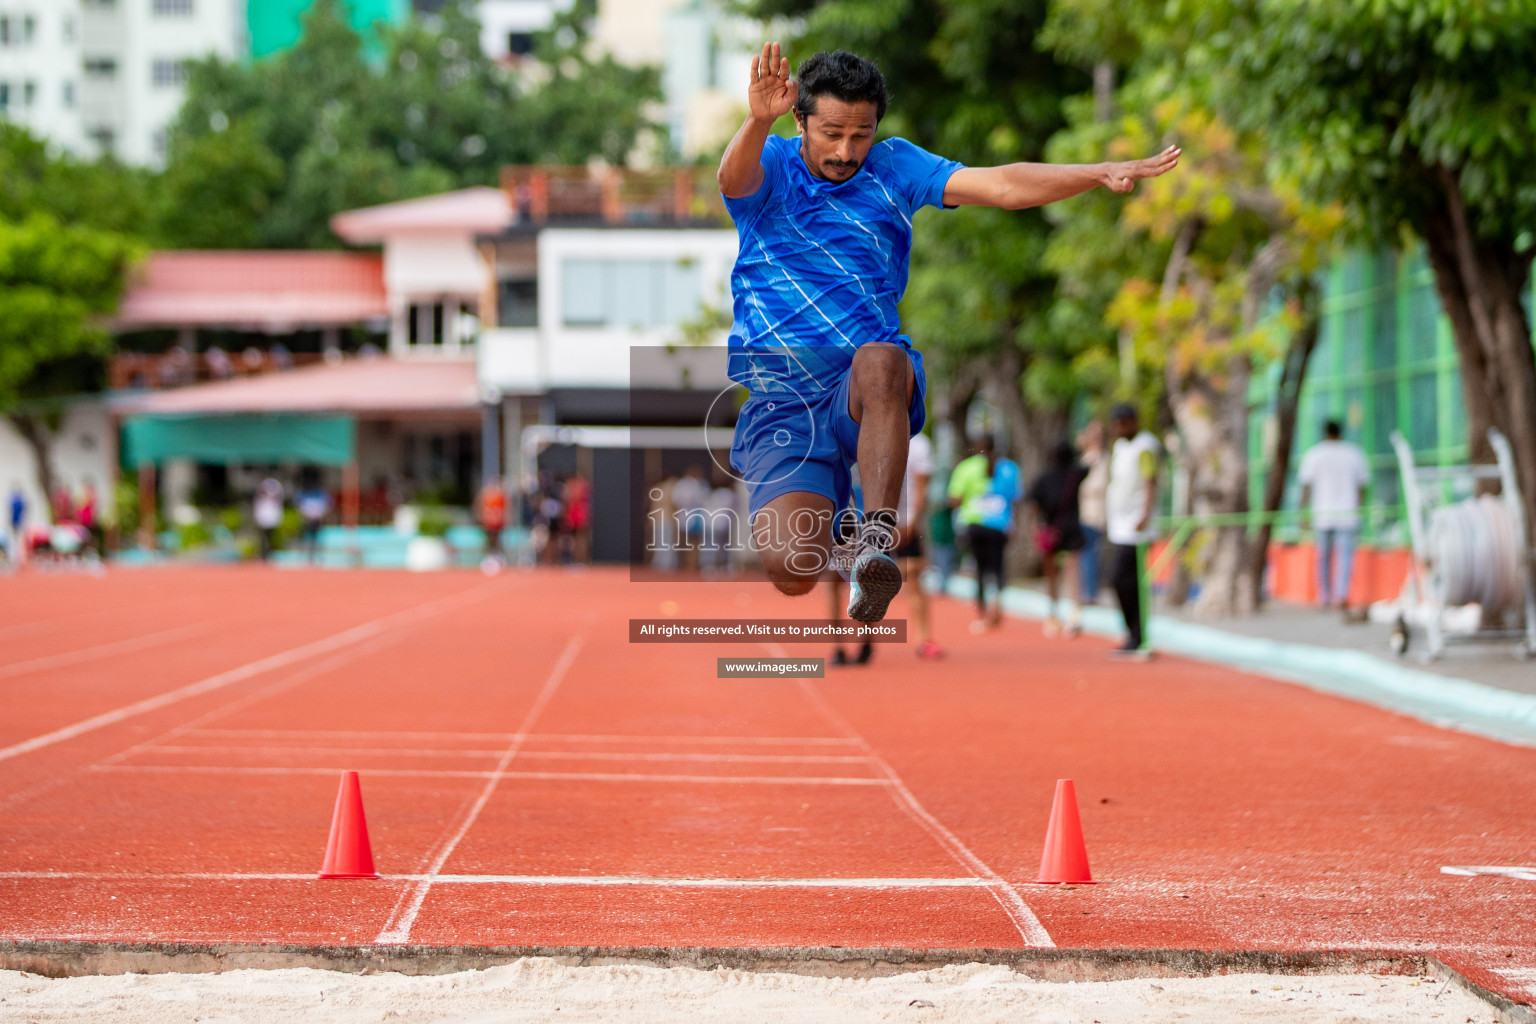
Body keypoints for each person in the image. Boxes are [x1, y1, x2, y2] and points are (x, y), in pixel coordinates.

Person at [718, 44, 1179, 623]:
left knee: (884, 359)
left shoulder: (895, 167)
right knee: (793, 570)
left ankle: (875, 546)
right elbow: (733, 180)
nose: (845, 151)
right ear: (799, 119)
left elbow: (1005, 186)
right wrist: (755, 121)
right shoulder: (773, 168)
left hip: (860, 389)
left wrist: (1096, 173)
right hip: (785, 401)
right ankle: (836, 529)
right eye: (832, 133)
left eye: (860, 135)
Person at [947, 435, 1022, 633]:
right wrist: (1013, 523)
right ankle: (997, 603)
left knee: (980, 569)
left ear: (976, 447)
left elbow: (954, 498)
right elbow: (1015, 500)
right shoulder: (1010, 468)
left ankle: (982, 615)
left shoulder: (966, 467)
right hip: (1000, 525)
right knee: (997, 567)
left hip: (975, 524)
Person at [1298, 419, 1370, 617]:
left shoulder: (1314, 454)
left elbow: (1306, 486)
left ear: (1324, 433)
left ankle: (1325, 597)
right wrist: (1360, 507)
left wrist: (1302, 512)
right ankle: (1341, 595)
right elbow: (1362, 486)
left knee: (1323, 557)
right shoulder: (1353, 453)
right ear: (1341, 432)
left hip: (1322, 513)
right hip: (1347, 513)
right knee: (1345, 557)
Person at [1104, 404, 1160, 658]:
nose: (1119, 429)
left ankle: (1138, 635)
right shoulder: (1119, 448)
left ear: (1134, 422)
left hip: (1137, 525)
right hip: (1120, 523)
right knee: (1123, 580)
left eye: (1124, 424)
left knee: (1125, 579)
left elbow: (1150, 481)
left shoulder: (1145, 446)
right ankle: (1134, 633)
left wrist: (1145, 514)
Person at [1027, 438, 1086, 638]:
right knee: (1072, 572)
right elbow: (1093, 461)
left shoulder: (1044, 477)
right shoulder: (1076, 474)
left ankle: (1053, 616)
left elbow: (1033, 505)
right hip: (1071, 529)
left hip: (1050, 532)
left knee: (1051, 575)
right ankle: (1075, 614)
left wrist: (1034, 528)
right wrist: (1087, 443)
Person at [896, 429, 942, 657]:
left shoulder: (920, 443)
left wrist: (912, 522)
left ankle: (924, 637)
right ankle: (865, 641)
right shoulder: (870, 433)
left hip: (906, 523)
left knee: (913, 574)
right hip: (875, 520)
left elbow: (922, 486)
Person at [1076, 420, 1108, 606]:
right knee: (1085, 552)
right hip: (1084, 510)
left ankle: (1090, 592)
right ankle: (1086, 590)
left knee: (1090, 552)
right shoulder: (1088, 457)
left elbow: (1097, 485)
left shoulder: (1101, 458)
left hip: (1094, 511)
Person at [671, 465, 710, 572]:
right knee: (685, 543)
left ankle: (691, 565)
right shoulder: (684, 484)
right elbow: (677, 501)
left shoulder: (701, 484)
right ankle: (684, 565)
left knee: (694, 543)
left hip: (697, 517)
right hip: (686, 516)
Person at [295, 474, 332, 564]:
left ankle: (316, 556)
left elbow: (329, 504)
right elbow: (297, 504)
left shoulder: (321, 493)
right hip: (307, 518)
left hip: (317, 519)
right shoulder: (304, 492)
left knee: (317, 538)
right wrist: (303, 514)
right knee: (306, 538)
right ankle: (305, 557)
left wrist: (322, 514)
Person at [477, 477, 509, 565]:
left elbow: (505, 508)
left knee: (497, 540)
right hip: (488, 522)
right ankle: (488, 557)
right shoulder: (486, 495)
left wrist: (504, 519)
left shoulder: (500, 495)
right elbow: (480, 506)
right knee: (489, 540)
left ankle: (498, 557)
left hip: (498, 523)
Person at [254, 477, 284, 561]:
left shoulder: (275, 497)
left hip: (272, 518)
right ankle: (263, 554)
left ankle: (271, 554)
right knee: (262, 538)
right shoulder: (261, 499)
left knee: (271, 537)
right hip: (263, 518)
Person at [6, 482, 26, 565]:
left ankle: (18, 558)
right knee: (16, 541)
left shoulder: (16, 501)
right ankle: (17, 558)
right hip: (16, 522)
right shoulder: (19, 500)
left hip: (17, 522)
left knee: (18, 541)